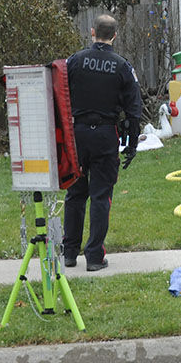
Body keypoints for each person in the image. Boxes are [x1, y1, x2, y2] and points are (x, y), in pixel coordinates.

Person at [64, 14, 142, 271]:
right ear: (115, 36)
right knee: (100, 196)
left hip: (77, 134)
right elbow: (133, 109)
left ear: (92, 32)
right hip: (106, 135)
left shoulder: (74, 61)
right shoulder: (121, 66)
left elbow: (59, 94)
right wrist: (131, 144)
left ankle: (69, 252)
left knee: (75, 194)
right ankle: (95, 257)